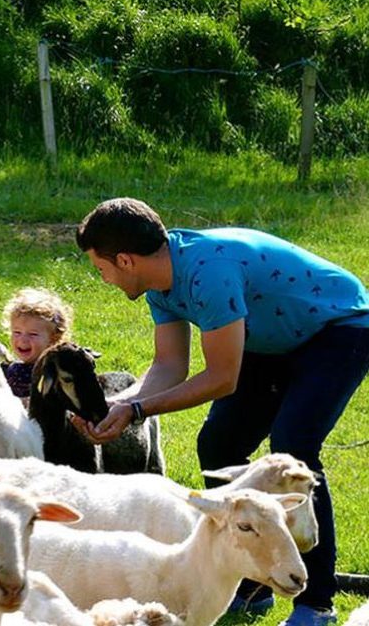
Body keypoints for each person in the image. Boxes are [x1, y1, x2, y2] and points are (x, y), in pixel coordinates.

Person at [73, 197, 369, 626]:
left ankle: (315, 603)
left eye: (102, 270)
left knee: (293, 448)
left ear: (125, 260)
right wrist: (116, 407)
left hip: (340, 327)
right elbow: (169, 366)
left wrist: (137, 410)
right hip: (275, 339)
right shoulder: (160, 280)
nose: (105, 280)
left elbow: (222, 378)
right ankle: (250, 586)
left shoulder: (205, 273)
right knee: (220, 444)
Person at [0, 287, 74, 399]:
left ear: (53, 338)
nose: (23, 340)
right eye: (17, 332)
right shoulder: (7, 369)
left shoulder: (55, 372)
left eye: (33, 334)